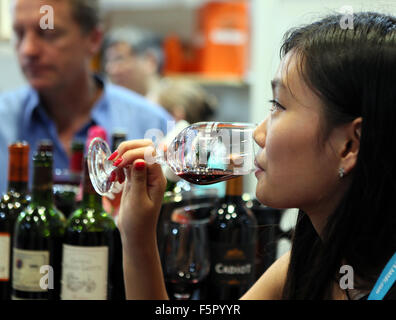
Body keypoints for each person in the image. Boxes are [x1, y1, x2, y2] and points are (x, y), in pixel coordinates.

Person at [111, 12, 396, 300]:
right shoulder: (313, 259)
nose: (259, 134)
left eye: (279, 106)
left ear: (349, 145)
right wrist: (136, 236)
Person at [0, 0, 172, 194]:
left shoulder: (151, 125)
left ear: (93, 39)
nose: (28, 50)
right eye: (19, 34)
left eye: (48, 34)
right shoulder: (4, 122)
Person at [104, 27, 164, 100]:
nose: (111, 70)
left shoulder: (172, 103)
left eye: (119, 59)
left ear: (151, 62)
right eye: (108, 61)